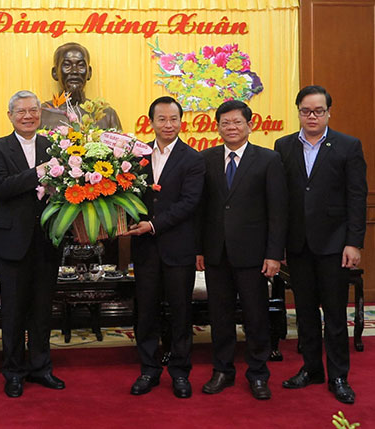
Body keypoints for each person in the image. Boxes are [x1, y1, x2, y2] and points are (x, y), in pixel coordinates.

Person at [275, 85, 367, 404]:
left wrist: (354, 243)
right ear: (298, 111)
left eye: (318, 111)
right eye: (305, 111)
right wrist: (279, 244)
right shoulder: (283, 146)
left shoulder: (347, 146)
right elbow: (281, 199)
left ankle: (338, 375)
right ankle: (311, 369)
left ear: (329, 111)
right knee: (305, 313)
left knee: (335, 314)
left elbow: (356, 197)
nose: (312, 116)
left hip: (334, 245)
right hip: (298, 245)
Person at [196, 100, 287, 400]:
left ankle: (258, 373)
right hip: (216, 253)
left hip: (254, 255)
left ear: (250, 125)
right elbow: (201, 209)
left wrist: (274, 254)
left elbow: (277, 211)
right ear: (218, 126)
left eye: (237, 122)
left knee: (256, 316)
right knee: (219, 316)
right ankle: (222, 370)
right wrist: (200, 249)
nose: (231, 128)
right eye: (225, 123)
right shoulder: (206, 159)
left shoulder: (268, 160)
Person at [0, 90, 64, 398]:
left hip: (47, 240)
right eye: (21, 111)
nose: (28, 116)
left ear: (40, 114)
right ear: (10, 116)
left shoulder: (54, 145)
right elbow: (1, 188)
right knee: (14, 310)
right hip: (11, 242)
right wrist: (40, 173)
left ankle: (41, 367)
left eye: (33, 110)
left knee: (43, 309)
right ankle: (13, 371)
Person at [124, 96, 204, 398]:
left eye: (173, 119)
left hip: (178, 248)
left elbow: (190, 203)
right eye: (162, 119)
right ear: (151, 122)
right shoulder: (137, 157)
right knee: (145, 312)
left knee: (181, 313)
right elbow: (128, 197)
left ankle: (181, 373)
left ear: (181, 122)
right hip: (145, 250)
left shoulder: (193, 159)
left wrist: (154, 225)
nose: (168, 125)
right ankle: (148, 370)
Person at [40, 42, 122, 130]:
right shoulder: (41, 114)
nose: (74, 71)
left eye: (81, 65)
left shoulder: (106, 115)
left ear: (89, 73)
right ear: (55, 73)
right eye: (67, 65)